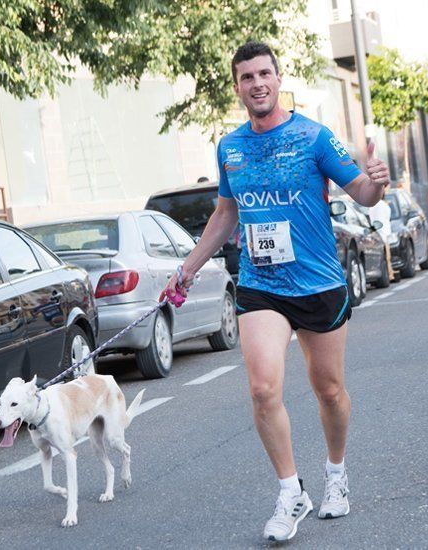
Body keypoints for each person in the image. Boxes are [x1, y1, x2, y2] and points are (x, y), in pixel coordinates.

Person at [163, 41, 390, 542]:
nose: (257, 83)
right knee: (263, 388)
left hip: (319, 282)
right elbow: (226, 213)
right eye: (247, 77)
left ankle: (336, 474)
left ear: (278, 77)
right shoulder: (231, 148)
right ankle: (291, 491)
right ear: (238, 86)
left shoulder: (314, 136)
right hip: (262, 283)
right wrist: (189, 268)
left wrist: (378, 183)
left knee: (328, 390)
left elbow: (362, 195)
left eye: (264, 73)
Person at [368, 198, 396, 281]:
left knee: (385, 256)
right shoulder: (381, 205)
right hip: (383, 233)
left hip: (378, 233)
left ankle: (390, 273)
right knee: (387, 256)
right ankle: (390, 274)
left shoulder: (372, 205)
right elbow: (385, 219)